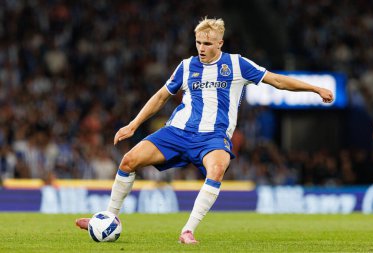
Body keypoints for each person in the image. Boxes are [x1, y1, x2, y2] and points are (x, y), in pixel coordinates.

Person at [75, 17, 334, 244]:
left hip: (212, 136)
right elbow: (161, 97)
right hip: (177, 132)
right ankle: (109, 217)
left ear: (220, 43)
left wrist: (315, 88)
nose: (202, 48)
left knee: (218, 168)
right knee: (129, 160)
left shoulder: (237, 64)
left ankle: (188, 230)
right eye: (199, 42)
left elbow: (277, 80)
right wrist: (133, 124)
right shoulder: (186, 66)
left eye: (208, 44)